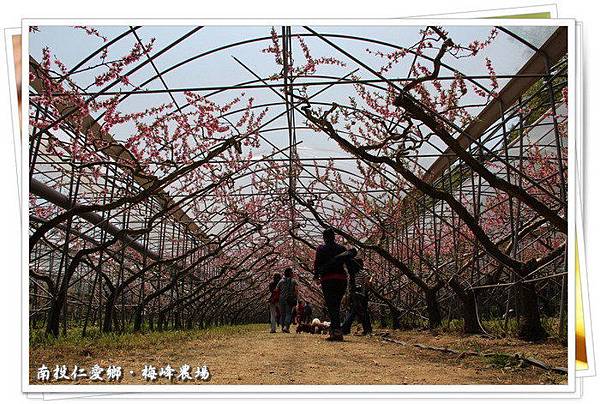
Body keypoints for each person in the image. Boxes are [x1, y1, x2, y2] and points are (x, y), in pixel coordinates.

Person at [313, 228, 349, 341]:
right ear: (334, 237)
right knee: (336, 305)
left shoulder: (321, 249)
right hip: (341, 279)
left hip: (328, 279)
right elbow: (349, 264)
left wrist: (316, 276)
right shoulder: (342, 248)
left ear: (324, 238)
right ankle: (335, 330)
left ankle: (336, 331)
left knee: (331, 306)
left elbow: (317, 263)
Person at [341, 257, 373, 335]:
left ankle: (366, 329)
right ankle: (345, 328)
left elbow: (349, 286)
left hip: (352, 294)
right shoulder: (363, 272)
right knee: (359, 312)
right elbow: (368, 284)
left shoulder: (351, 274)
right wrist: (371, 278)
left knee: (356, 311)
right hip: (361, 294)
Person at [277, 267, 298, 333]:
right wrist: (295, 297)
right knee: (288, 313)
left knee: (282, 313)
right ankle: (286, 327)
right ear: (290, 273)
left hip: (281, 299)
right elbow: (296, 290)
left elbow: (277, 289)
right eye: (292, 273)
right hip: (290, 299)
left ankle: (283, 327)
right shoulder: (294, 281)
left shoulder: (281, 281)